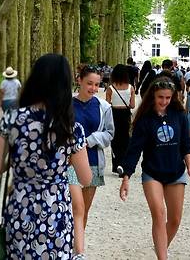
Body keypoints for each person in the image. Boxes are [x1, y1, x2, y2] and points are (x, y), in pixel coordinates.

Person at [0, 53, 91, 259]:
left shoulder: (12, 119)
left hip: (20, 207)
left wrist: (17, 160)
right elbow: (86, 178)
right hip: (55, 211)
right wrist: (63, 161)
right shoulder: (71, 129)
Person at [118, 77, 190, 260]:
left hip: (176, 172)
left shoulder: (179, 115)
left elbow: (186, 145)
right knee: (159, 214)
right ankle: (163, 257)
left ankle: (161, 247)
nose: (164, 101)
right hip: (152, 173)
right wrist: (126, 177)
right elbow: (134, 150)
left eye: (168, 98)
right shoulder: (145, 119)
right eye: (160, 97)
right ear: (153, 96)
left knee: (175, 219)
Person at [67, 64, 114, 260]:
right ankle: (75, 249)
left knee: (83, 211)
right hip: (69, 163)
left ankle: (76, 247)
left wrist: (90, 140)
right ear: (79, 81)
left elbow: (110, 133)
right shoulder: (66, 104)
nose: (94, 88)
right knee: (73, 208)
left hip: (93, 161)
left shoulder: (104, 107)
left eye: (97, 84)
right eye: (89, 84)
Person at [106, 63, 135, 173]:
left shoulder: (110, 88)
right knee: (126, 140)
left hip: (114, 114)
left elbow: (107, 105)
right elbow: (132, 105)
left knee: (115, 140)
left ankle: (116, 163)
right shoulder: (130, 87)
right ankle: (124, 164)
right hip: (125, 114)